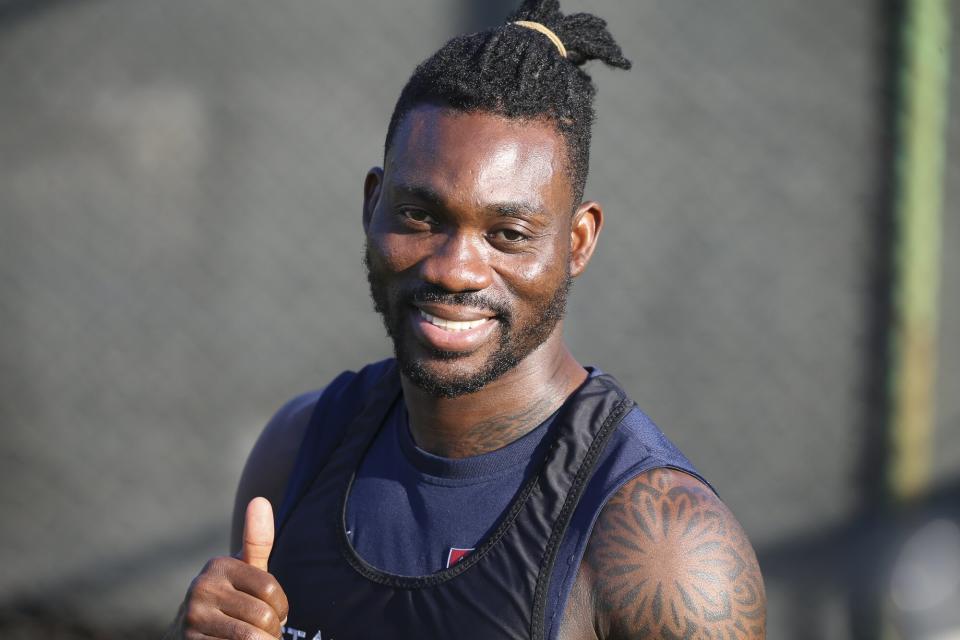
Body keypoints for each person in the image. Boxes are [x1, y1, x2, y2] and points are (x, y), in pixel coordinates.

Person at [167, 0, 766, 638]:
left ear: (578, 241)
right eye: (422, 217)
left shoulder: (670, 555)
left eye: (507, 233)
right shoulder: (298, 450)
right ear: (374, 205)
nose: (456, 268)